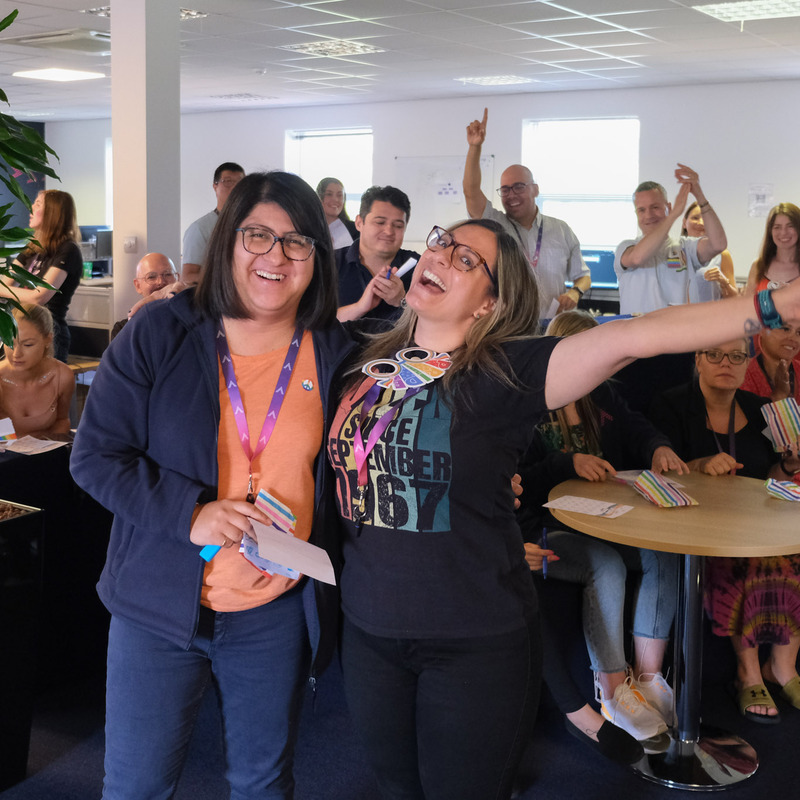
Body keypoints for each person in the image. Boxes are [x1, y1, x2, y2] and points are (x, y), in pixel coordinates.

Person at [326, 212, 800, 799]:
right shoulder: (360, 359)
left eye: (469, 259)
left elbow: (637, 335)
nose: (443, 257)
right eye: (443, 243)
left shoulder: (508, 372)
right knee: (394, 788)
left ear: (489, 306)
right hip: (368, 631)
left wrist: (776, 304)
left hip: (472, 637)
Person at [70, 171, 352, 799]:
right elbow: (94, 456)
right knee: (136, 787)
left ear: (317, 257)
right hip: (156, 606)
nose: (275, 257)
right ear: (228, 241)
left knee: (262, 783)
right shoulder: (160, 332)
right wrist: (190, 513)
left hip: (273, 608)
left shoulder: (336, 352)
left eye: (297, 241)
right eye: (258, 235)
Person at [517, 310, 686, 760]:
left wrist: (658, 447)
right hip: (550, 531)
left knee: (663, 550)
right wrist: (566, 463)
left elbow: (637, 428)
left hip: (609, 521)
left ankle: (648, 678)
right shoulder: (534, 403)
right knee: (606, 565)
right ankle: (612, 687)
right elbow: (521, 483)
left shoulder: (603, 395)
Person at [649, 339, 800, 725]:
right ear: (697, 359)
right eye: (714, 354)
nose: (725, 363)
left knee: (793, 551)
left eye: (736, 356)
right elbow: (658, 471)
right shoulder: (669, 404)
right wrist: (699, 465)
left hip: (751, 517)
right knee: (744, 557)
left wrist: (786, 466)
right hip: (696, 522)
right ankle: (747, 672)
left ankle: (783, 668)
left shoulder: (758, 409)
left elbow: (768, 480)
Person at [462, 107, 591, 317]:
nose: (511, 195)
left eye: (519, 187)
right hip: (509, 325)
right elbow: (470, 191)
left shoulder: (561, 230)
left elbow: (583, 276)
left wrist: (575, 292)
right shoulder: (494, 226)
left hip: (552, 324)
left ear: (535, 190)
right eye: (505, 189)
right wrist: (475, 148)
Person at [614, 166, 727, 315]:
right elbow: (637, 258)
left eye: (655, 207)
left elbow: (718, 244)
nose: (648, 215)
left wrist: (699, 195)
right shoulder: (627, 247)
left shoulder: (685, 247)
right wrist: (673, 216)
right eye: (641, 210)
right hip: (637, 336)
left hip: (676, 335)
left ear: (668, 207)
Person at [2, 189, 82, 362]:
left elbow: (39, 297)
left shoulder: (68, 250)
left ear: (53, 212)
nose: (31, 208)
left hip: (48, 333)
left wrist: (3, 290)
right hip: (21, 329)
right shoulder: (32, 248)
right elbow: (7, 283)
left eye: (38, 204)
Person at [335, 185, 420, 322]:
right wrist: (359, 307)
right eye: (380, 222)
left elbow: (435, 324)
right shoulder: (329, 263)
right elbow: (315, 323)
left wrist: (402, 301)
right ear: (359, 223)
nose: (389, 231)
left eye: (398, 226)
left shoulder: (419, 267)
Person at [0, 304, 74, 439]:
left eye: (28, 345)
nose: (16, 354)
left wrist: (50, 449)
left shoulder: (62, 376)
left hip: (45, 455)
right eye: (9, 343)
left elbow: (62, 421)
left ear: (48, 339)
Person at [181, 161, 245, 284]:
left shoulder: (251, 224)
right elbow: (188, 276)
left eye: (240, 183)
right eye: (228, 182)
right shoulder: (200, 228)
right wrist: (228, 277)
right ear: (215, 187)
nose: (235, 188)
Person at [111, 252, 182, 339]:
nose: (160, 282)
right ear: (138, 286)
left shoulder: (191, 322)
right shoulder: (124, 330)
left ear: (178, 279)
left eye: (167, 274)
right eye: (151, 277)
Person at [682, 201, 738, 301]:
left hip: (709, 315)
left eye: (705, 219)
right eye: (695, 218)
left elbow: (735, 299)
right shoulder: (674, 252)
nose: (701, 223)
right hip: (677, 315)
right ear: (684, 223)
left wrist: (724, 282)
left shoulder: (722, 254)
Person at [744, 202, 800, 297]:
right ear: (770, 232)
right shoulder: (758, 266)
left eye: (790, 226)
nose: (783, 232)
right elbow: (747, 307)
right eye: (777, 227)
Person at [741, 322, 800, 402]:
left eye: (799, 332)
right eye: (785, 329)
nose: (793, 338)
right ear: (762, 330)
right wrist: (779, 395)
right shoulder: (740, 376)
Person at [316, 177, 357, 248]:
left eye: (339, 195)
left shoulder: (355, 230)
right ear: (319, 197)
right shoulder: (308, 230)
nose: (335, 199)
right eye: (329, 194)